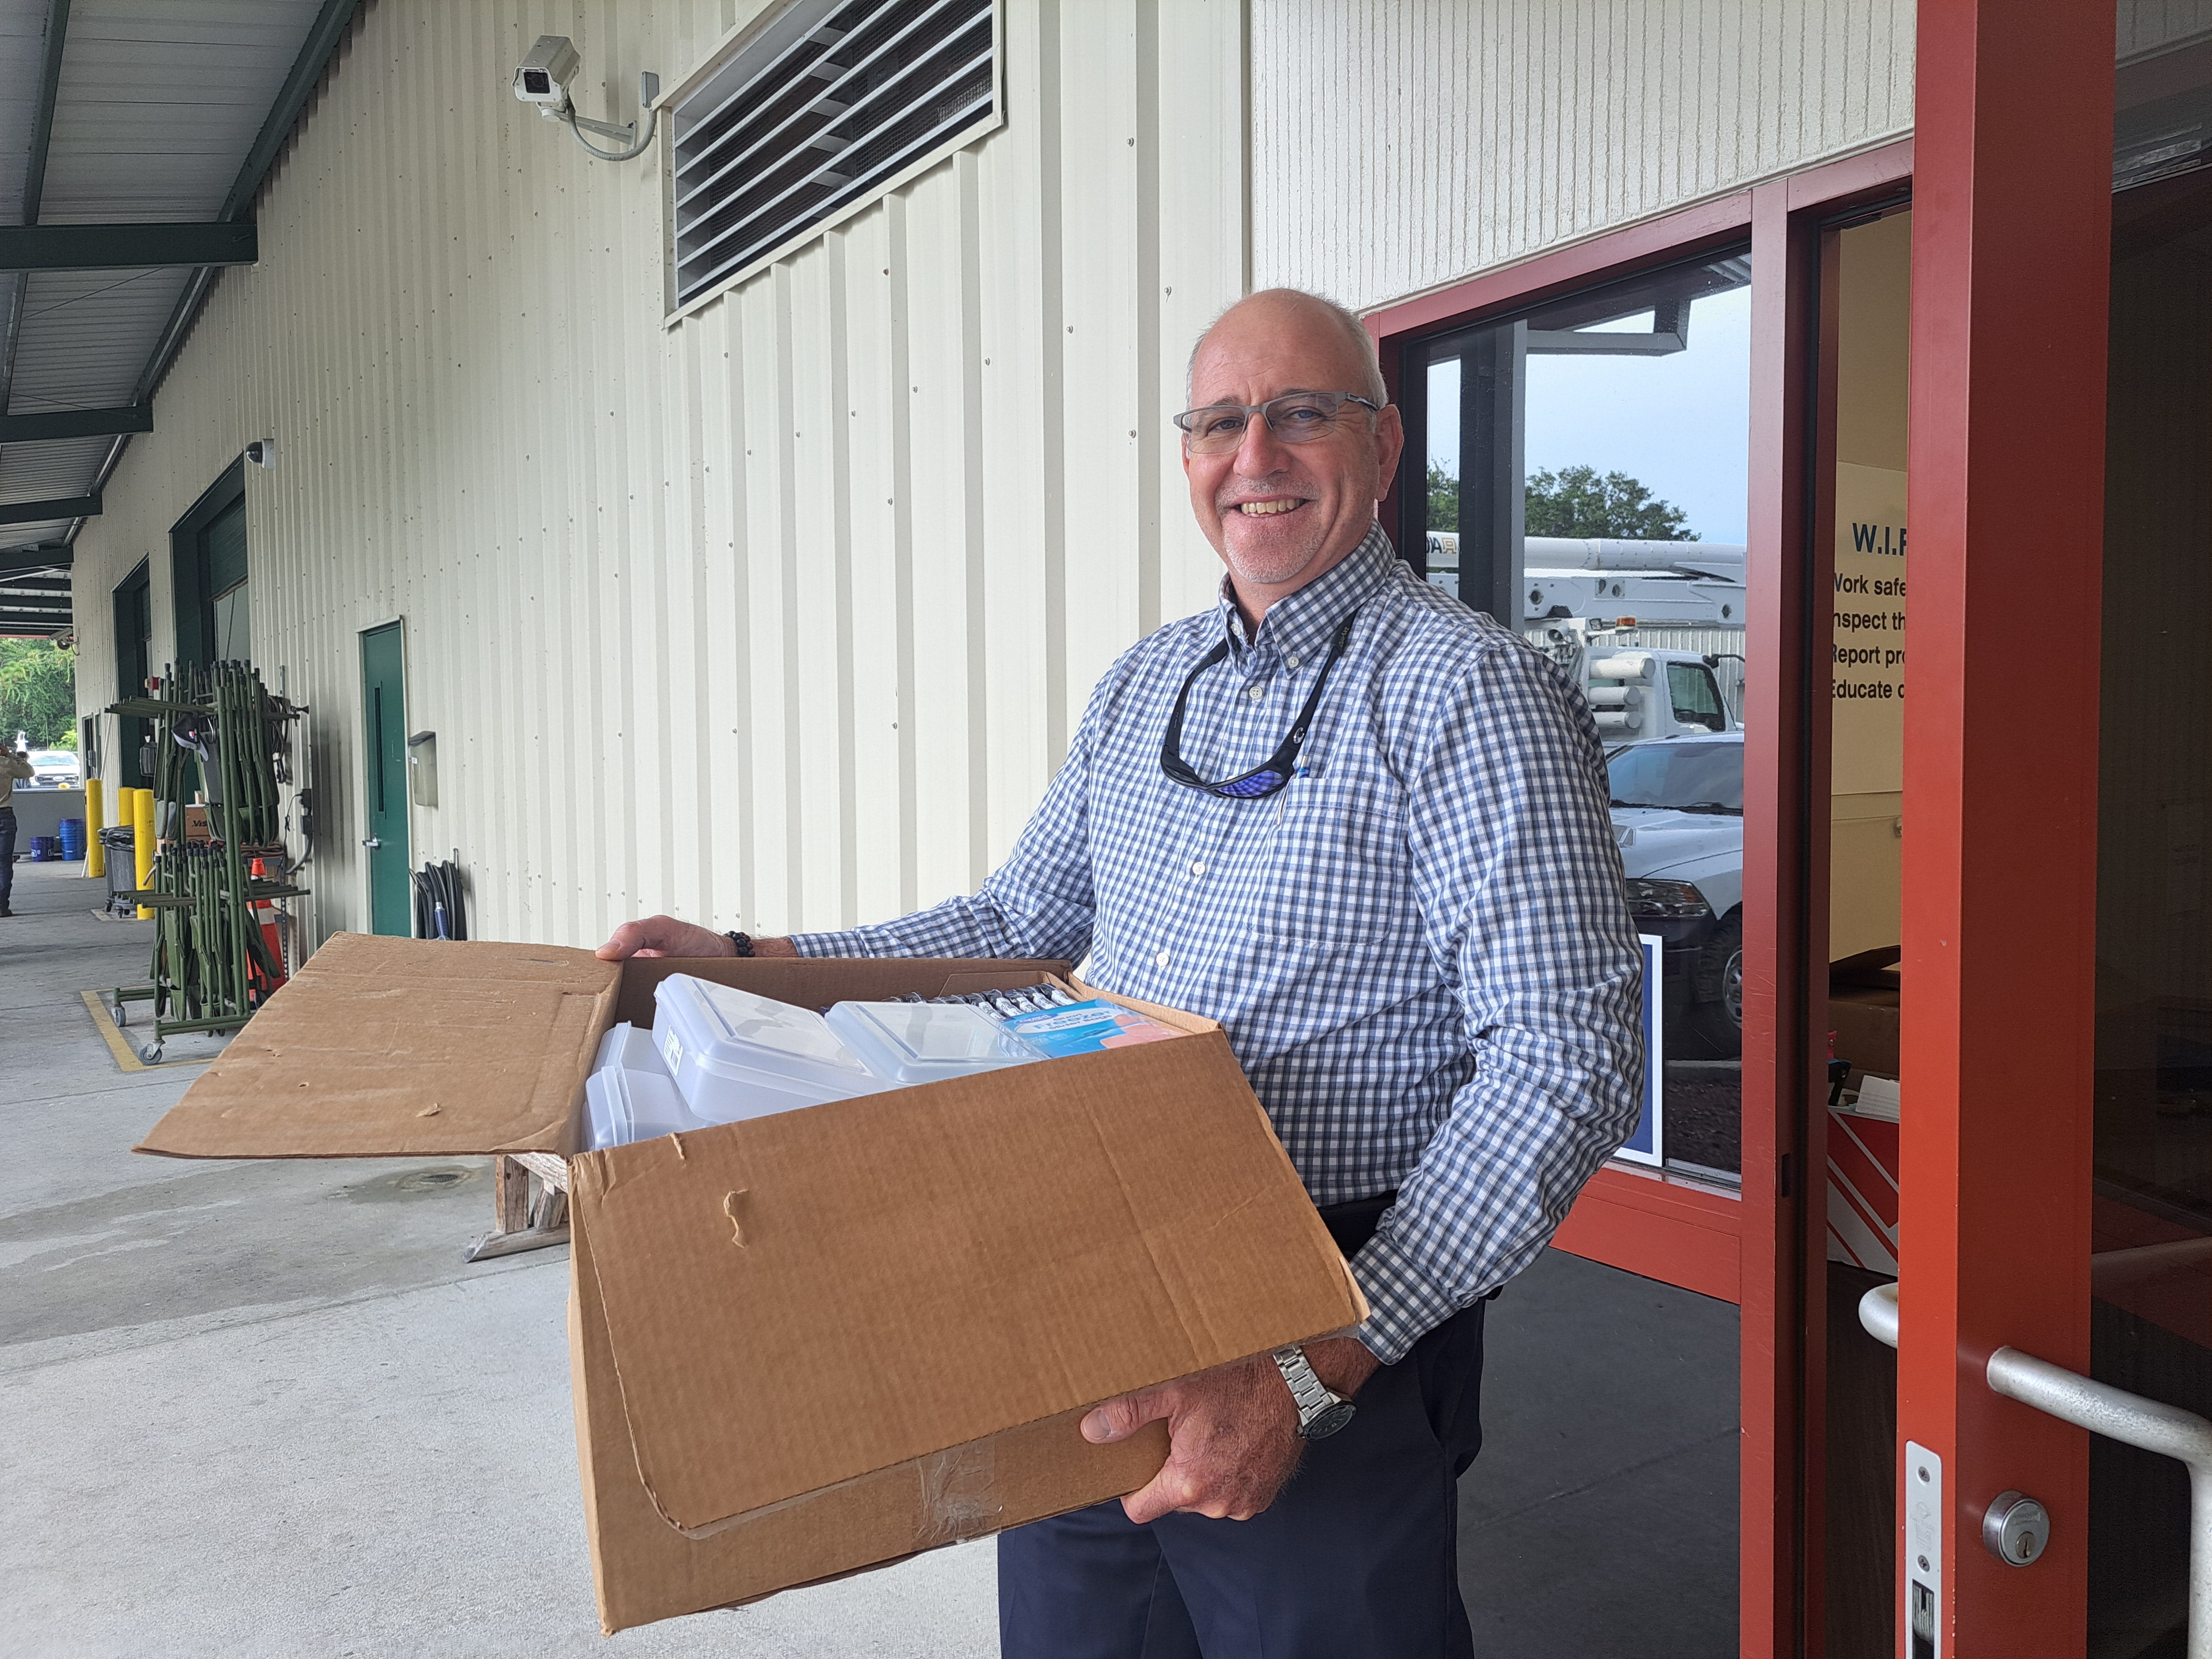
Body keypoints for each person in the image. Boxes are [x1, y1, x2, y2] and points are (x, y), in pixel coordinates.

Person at [599, 288, 1643, 1658]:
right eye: (1220, 423)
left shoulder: (1469, 690)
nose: (1255, 455)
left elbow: (1562, 1061)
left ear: (1384, 446)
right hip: (1091, 1279)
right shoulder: (1148, 683)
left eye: (1302, 414)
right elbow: (1018, 918)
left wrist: (1311, 1365)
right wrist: (751, 960)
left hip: (1323, 1292)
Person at [0, 735, 33, 917]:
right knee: (4, 862)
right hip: (4, 815)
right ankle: (2, 907)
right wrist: (10, 755)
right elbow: (29, 771)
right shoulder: (6, 765)